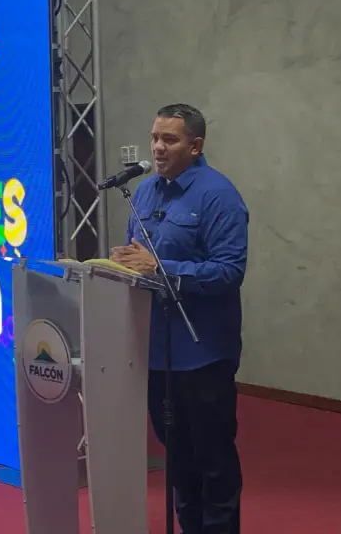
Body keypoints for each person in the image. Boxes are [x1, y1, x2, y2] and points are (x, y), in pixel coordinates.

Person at [111, 103, 248, 534]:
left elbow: (229, 271)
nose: (157, 147)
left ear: (195, 146)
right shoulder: (144, 192)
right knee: (178, 460)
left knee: (213, 461)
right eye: (154, 137)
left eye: (169, 139)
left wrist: (162, 268)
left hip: (203, 352)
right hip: (156, 351)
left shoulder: (219, 195)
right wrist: (122, 265)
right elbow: (139, 258)